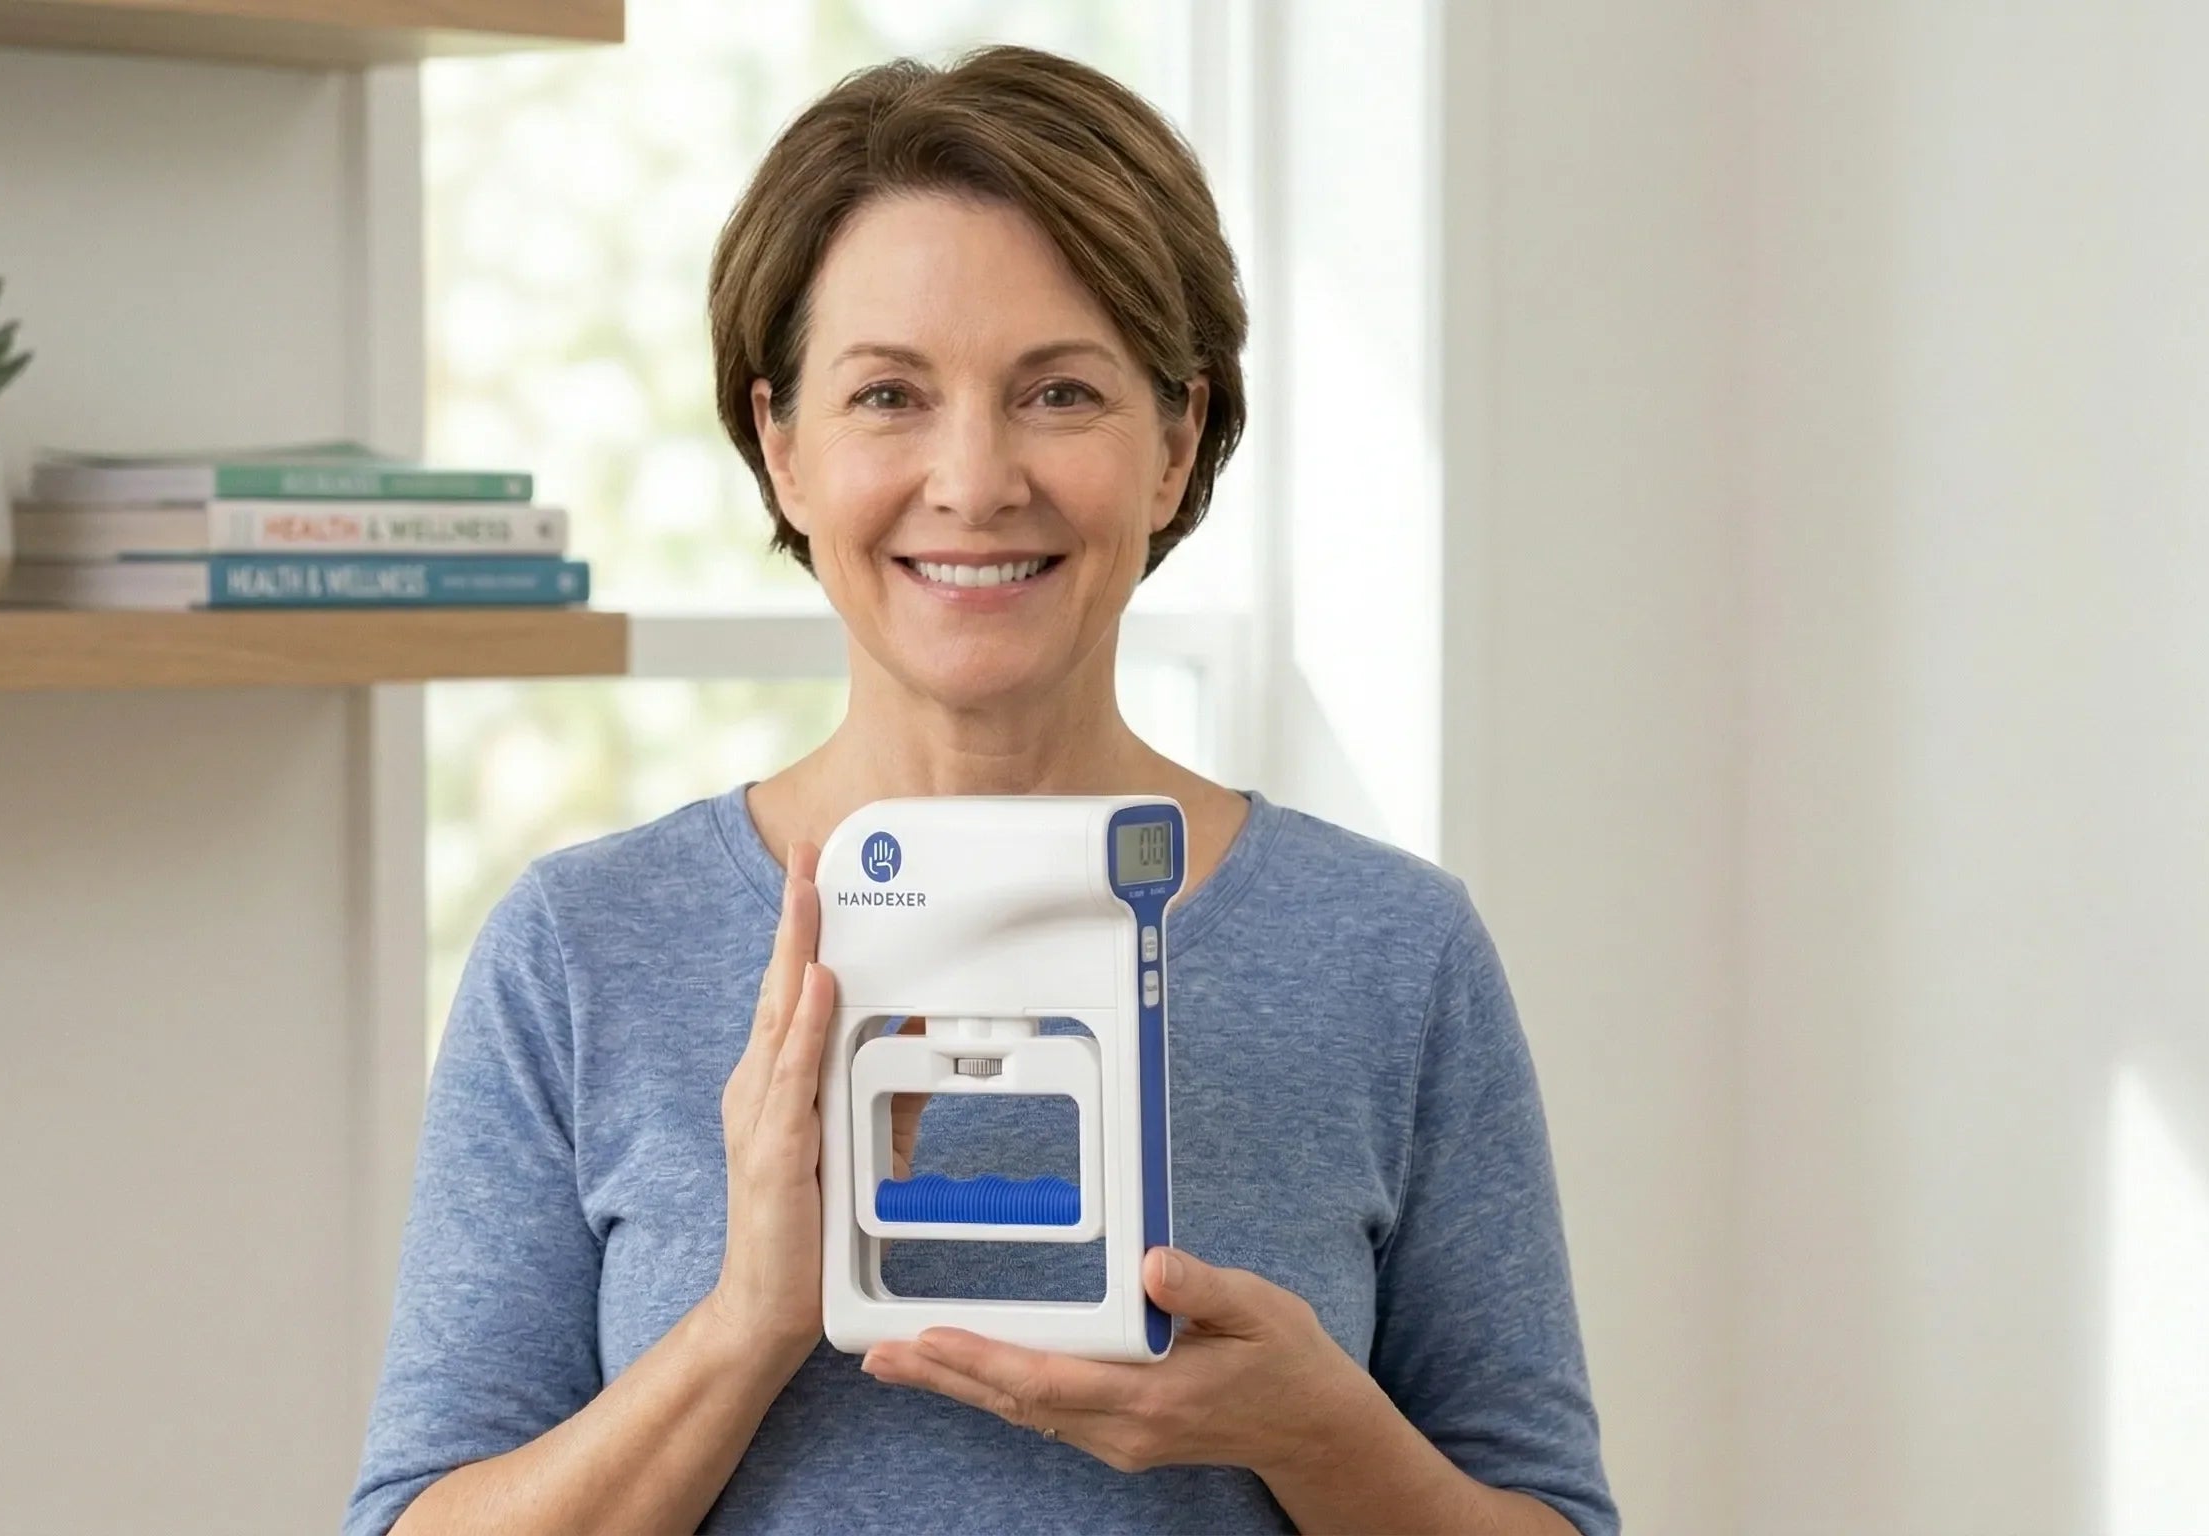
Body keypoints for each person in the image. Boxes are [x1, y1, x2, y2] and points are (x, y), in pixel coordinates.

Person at [345, 44, 1614, 1536]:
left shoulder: (1394, 955)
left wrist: (1317, 1433)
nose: (973, 479)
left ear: (1176, 441)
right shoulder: (580, 947)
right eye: (888, 394)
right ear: (782, 446)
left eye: (1059, 393)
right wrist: (746, 1323)